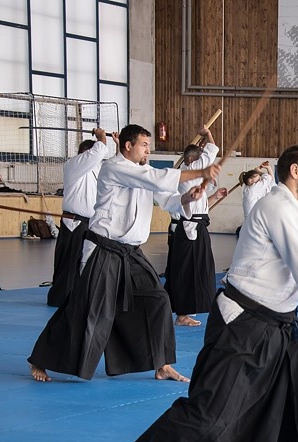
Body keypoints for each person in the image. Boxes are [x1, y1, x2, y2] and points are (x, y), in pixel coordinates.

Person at [111, 145, 298, 442]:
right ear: (295, 171)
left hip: (280, 323)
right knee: (216, 406)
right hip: (245, 322)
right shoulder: (277, 206)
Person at [27, 124, 220, 383]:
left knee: (159, 300)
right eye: (144, 145)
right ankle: (40, 358)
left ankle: (161, 364)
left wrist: (187, 199)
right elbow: (154, 179)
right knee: (88, 308)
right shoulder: (113, 168)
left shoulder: (143, 171)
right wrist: (202, 171)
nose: (148, 150)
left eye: (148, 145)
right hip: (104, 249)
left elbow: (168, 200)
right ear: (127, 146)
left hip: (131, 252)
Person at [164, 125, 227, 327]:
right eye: (199, 159)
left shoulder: (188, 175)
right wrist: (208, 133)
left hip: (192, 228)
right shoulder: (189, 171)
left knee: (190, 271)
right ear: (192, 160)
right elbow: (211, 150)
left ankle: (181, 312)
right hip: (188, 231)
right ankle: (180, 314)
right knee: (185, 272)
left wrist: (214, 196)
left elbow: (197, 200)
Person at [48, 128, 115, 307]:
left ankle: (81, 296)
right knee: (69, 262)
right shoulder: (73, 166)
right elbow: (98, 151)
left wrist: (118, 145)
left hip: (92, 223)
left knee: (88, 263)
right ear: (84, 154)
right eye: (92, 155)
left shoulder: (99, 168)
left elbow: (115, 166)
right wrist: (102, 137)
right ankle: (60, 298)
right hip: (74, 222)